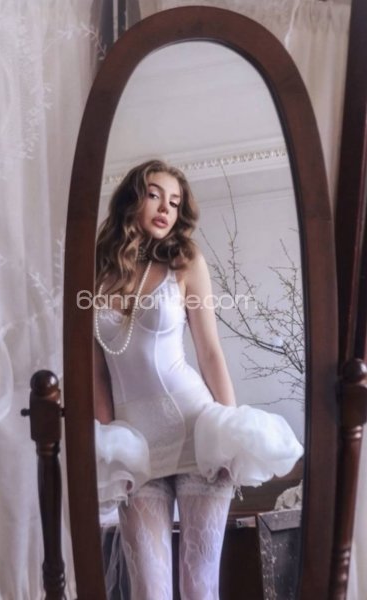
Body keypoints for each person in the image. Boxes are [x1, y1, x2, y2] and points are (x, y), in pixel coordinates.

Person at [93, 159, 303, 600]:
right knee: (149, 591)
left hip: (195, 432)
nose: (165, 209)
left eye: (174, 202)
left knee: (199, 585)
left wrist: (231, 432)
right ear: (131, 199)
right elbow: (96, 371)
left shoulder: (184, 263)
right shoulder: (95, 274)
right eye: (155, 195)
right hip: (136, 446)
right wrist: (108, 441)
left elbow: (209, 351)